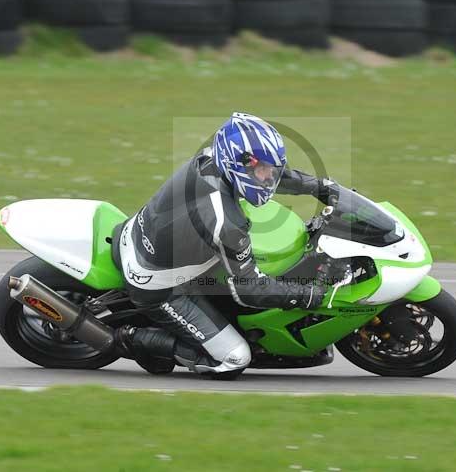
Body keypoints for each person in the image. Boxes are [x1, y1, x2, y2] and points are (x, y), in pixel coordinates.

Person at [114, 112, 338, 375]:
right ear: (236, 162)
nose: (267, 178)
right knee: (234, 358)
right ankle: (131, 337)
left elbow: (272, 176)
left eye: (270, 169)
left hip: (147, 235)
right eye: (260, 170)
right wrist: (308, 296)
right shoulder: (226, 222)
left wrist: (320, 187)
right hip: (156, 283)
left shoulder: (212, 157)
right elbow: (250, 289)